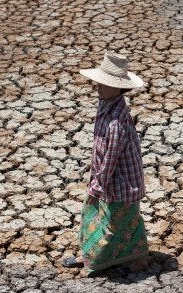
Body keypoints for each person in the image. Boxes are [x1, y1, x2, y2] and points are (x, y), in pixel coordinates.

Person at [61, 52, 149, 276]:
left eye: (104, 84)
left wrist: (99, 183)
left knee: (114, 222)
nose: (98, 87)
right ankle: (91, 253)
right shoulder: (107, 106)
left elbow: (111, 156)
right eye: (98, 82)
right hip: (104, 176)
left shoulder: (117, 120)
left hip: (119, 181)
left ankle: (108, 259)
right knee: (96, 215)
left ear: (118, 87)